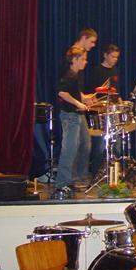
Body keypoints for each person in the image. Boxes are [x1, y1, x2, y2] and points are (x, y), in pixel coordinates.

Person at [53, 46, 95, 198]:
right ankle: (62, 183)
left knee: (85, 143)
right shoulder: (70, 74)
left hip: (78, 115)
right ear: (75, 60)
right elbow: (62, 92)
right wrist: (78, 103)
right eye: (83, 59)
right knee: (69, 149)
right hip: (70, 116)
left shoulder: (77, 75)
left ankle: (77, 177)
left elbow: (74, 92)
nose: (85, 62)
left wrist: (85, 98)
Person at [86, 44, 121, 177]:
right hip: (99, 113)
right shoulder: (96, 71)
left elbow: (115, 92)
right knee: (99, 147)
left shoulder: (115, 70)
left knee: (117, 145)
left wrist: (119, 101)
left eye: (117, 57)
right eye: (112, 57)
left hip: (112, 112)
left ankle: (115, 174)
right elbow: (91, 93)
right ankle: (95, 173)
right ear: (105, 55)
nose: (115, 60)